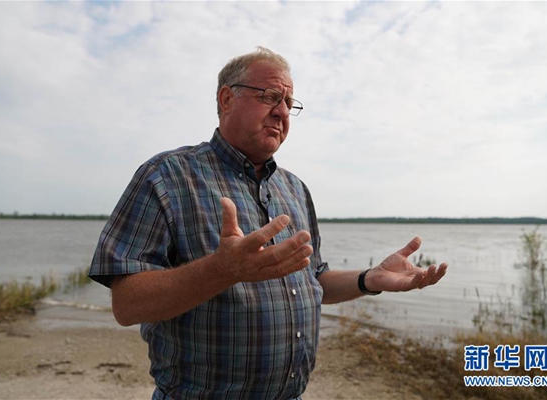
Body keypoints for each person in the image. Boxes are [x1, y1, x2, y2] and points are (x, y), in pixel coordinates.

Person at [89, 46, 448, 400]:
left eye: (289, 103)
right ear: (226, 99)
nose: (282, 112)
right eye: (270, 97)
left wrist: (368, 279)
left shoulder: (295, 188)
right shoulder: (166, 176)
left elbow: (314, 279)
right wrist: (222, 270)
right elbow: (126, 304)